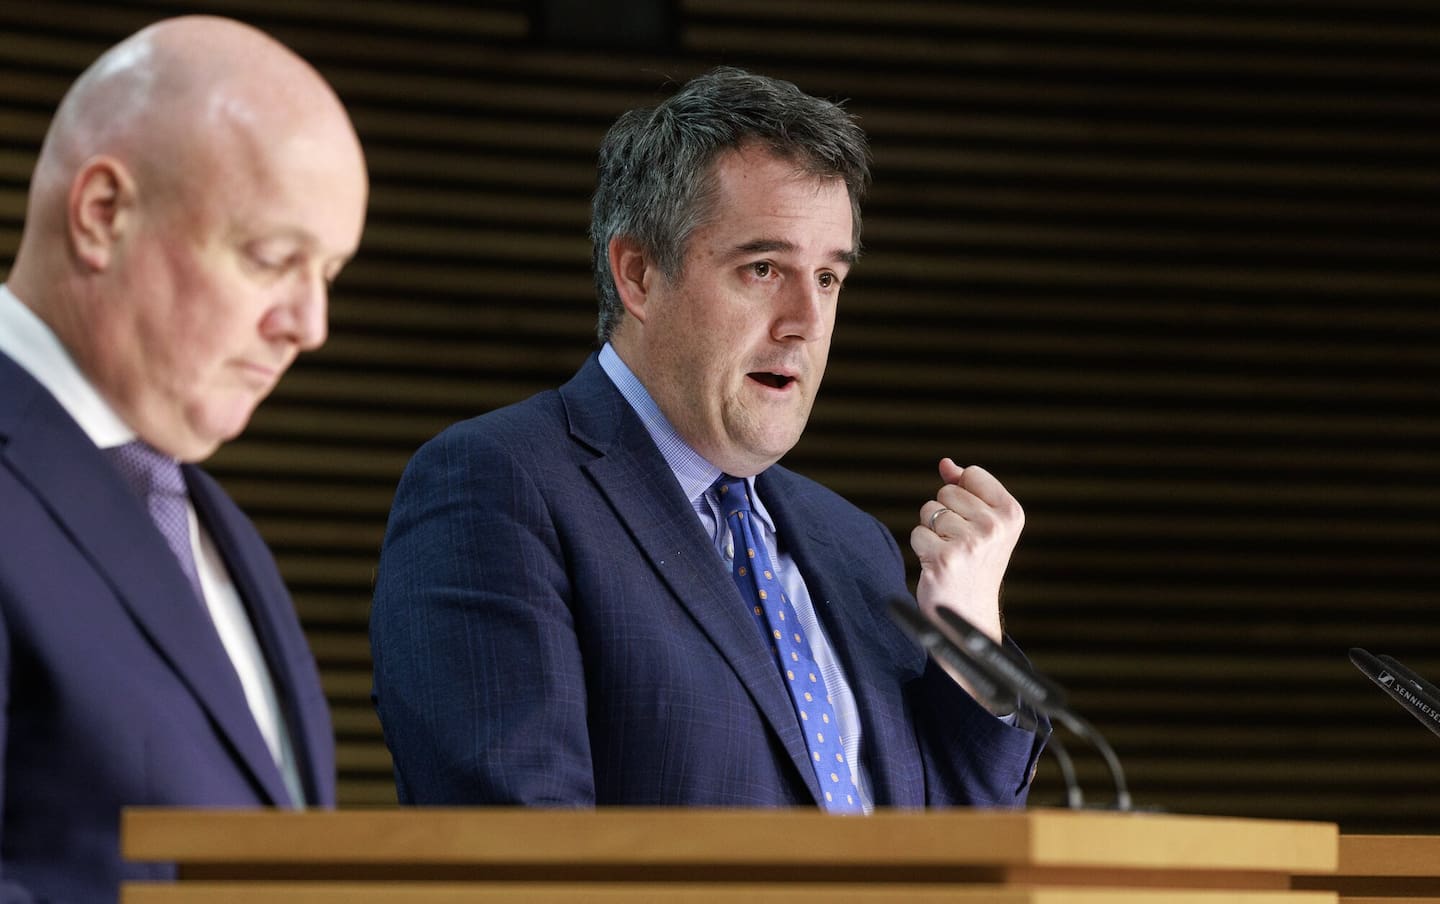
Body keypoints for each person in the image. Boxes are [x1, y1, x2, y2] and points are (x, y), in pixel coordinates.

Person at [371, 67, 1045, 810]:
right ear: (638, 274)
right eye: (764, 269)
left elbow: (966, 847)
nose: (806, 322)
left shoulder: (855, 546)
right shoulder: (496, 486)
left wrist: (967, 637)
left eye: (828, 279)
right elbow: (517, 844)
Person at [0, 16, 367, 902]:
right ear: (103, 214)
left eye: (328, 274)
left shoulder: (210, 523)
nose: (309, 326)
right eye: (272, 258)